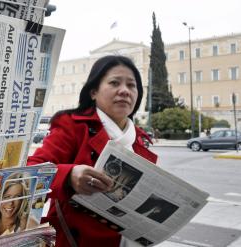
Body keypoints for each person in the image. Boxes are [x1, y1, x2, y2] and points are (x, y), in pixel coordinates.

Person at [28, 55, 157, 247]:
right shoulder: (71, 125)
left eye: (131, 85)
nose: (124, 91)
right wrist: (69, 176)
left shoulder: (139, 140)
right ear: (94, 91)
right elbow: (31, 171)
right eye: (114, 83)